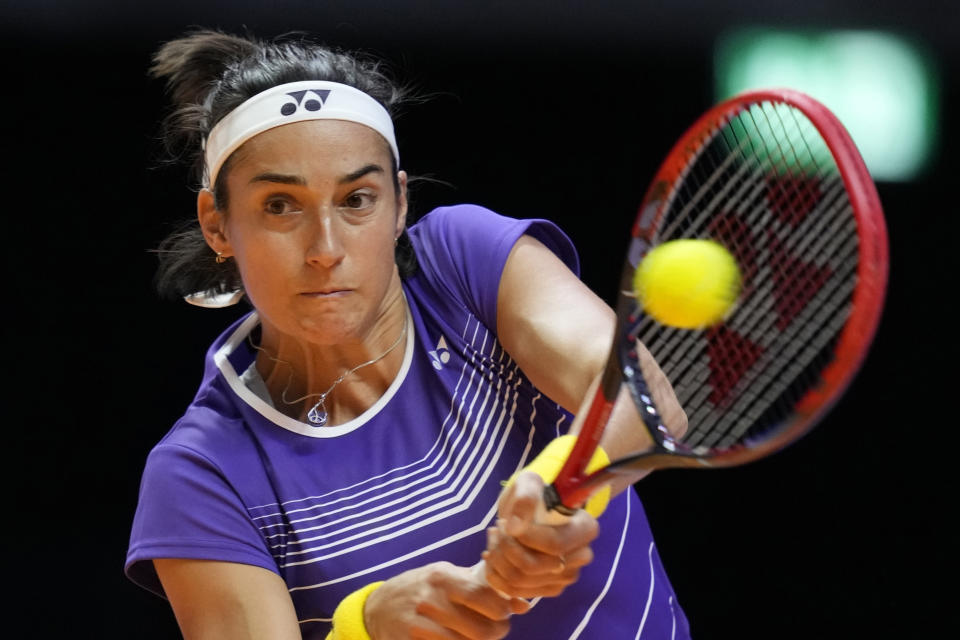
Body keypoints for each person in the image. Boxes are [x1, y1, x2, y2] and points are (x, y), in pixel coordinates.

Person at [125, 28, 692, 640]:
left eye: (357, 199)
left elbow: (642, 395)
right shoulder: (200, 473)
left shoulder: (464, 263)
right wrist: (364, 628)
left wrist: (562, 480)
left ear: (399, 203)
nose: (326, 249)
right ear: (217, 223)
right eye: (280, 206)